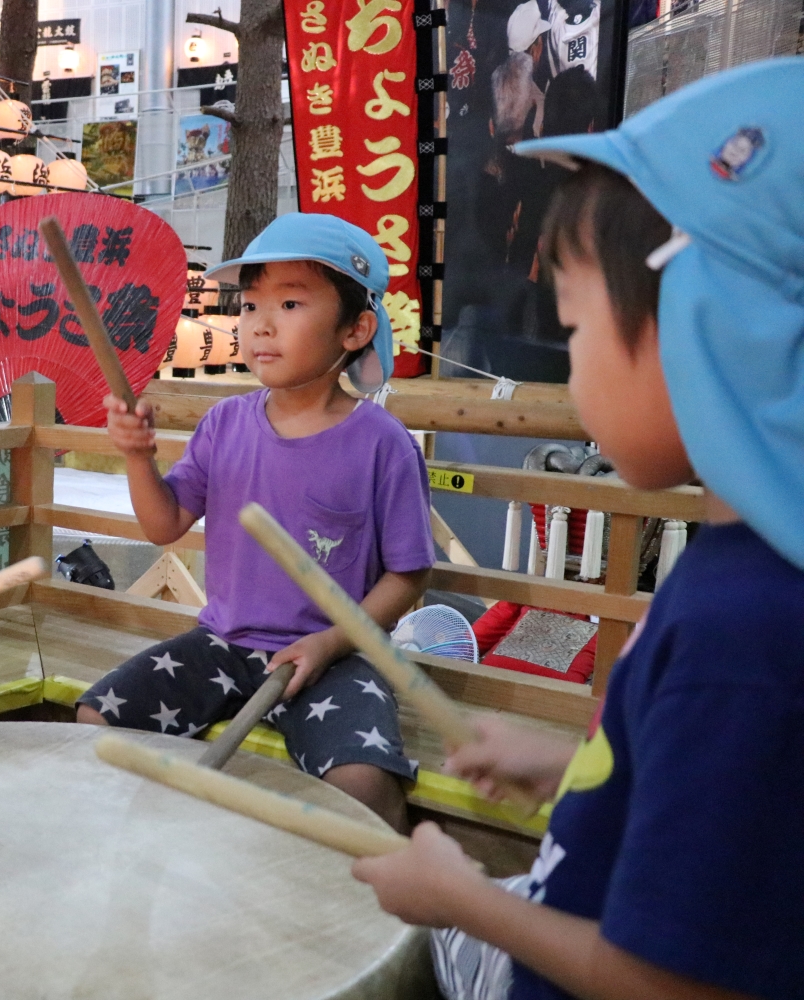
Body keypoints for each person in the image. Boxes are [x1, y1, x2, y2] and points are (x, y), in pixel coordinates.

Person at [351, 57, 804, 1000]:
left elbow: (676, 983)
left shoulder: (749, 631)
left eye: (577, 330)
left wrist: (465, 898)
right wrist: (569, 767)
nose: (573, 371)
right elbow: (712, 806)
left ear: (713, 329)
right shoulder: (747, 576)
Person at [75, 213, 435, 830]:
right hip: (223, 642)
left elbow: (409, 574)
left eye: (290, 303)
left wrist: (328, 643)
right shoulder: (225, 424)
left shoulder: (382, 442)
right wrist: (137, 455)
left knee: (363, 783)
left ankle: (406, 907)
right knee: (96, 720)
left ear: (356, 328)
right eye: (249, 305)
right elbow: (165, 524)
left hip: (335, 656)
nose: (260, 324)